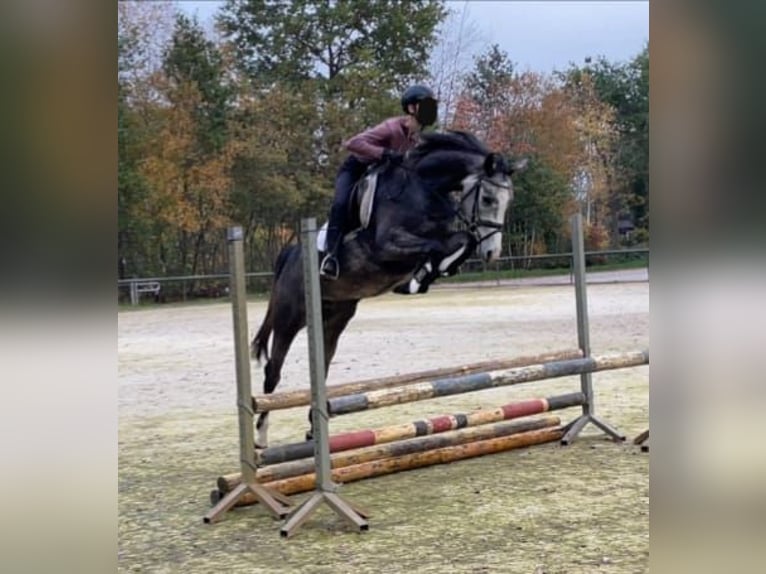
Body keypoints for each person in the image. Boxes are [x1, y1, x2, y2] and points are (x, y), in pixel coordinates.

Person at [319, 84, 439, 279]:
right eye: (425, 106)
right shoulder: (391, 128)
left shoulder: (417, 139)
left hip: (384, 176)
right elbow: (353, 143)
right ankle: (330, 257)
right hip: (356, 170)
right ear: (411, 108)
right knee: (340, 203)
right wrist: (384, 153)